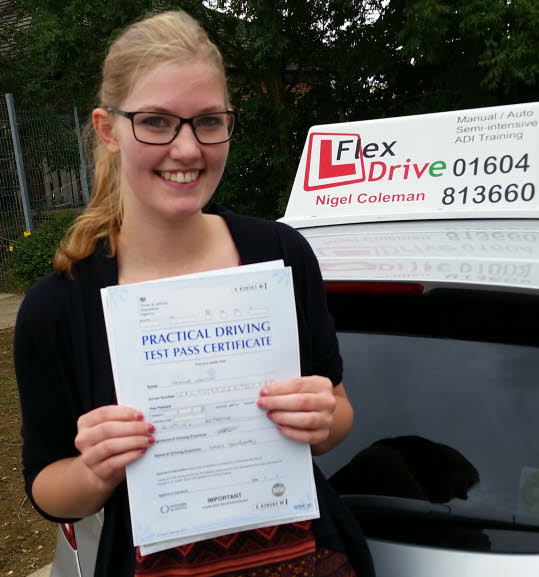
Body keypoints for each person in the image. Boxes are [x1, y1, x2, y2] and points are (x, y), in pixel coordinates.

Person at [15, 10, 372, 577]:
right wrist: (95, 470)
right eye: (156, 122)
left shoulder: (280, 255)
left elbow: (339, 412)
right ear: (108, 129)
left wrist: (322, 420)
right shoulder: (58, 307)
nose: (187, 149)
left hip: (307, 558)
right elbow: (47, 489)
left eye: (208, 121)